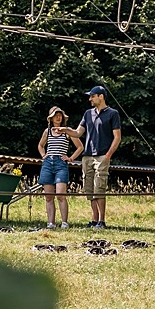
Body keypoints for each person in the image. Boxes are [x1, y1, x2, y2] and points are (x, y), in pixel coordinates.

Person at [74, 85, 123, 230]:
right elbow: (78, 133)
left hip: (102, 156)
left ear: (100, 96)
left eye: (92, 96)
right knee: (89, 189)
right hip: (87, 156)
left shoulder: (113, 113)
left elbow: (117, 137)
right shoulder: (88, 113)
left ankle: (102, 221)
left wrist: (108, 155)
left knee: (99, 188)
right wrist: (65, 130)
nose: (90, 99)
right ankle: (94, 220)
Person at [35, 106, 83, 230]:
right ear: (51, 118)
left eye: (60, 115)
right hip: (48, 163)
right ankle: (50, 223)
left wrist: (71, 158)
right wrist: (43, 155)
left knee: (61, 194)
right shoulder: (47, 131)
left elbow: (80, 147)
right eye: (55, 115)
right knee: (49, 196)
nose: (58, 117)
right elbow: (40, 145)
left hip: (61, 164)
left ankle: (64, 223)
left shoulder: (67, 131)